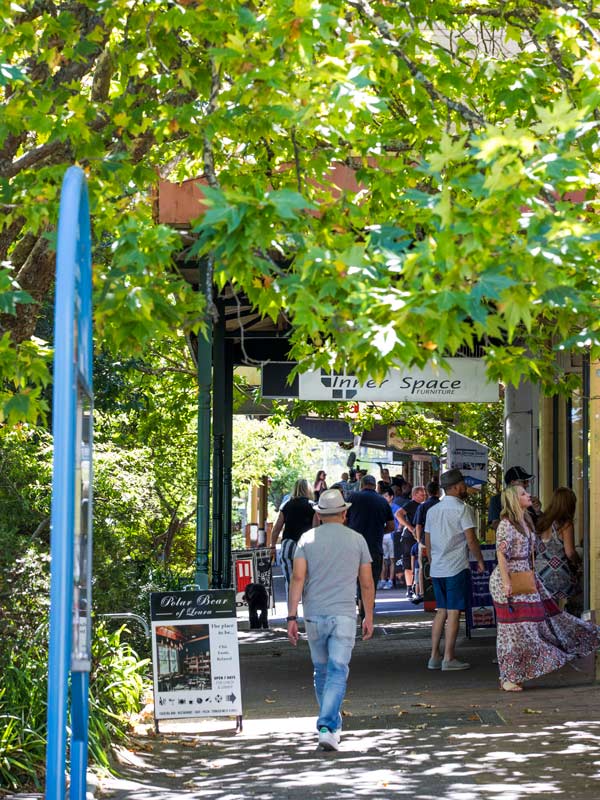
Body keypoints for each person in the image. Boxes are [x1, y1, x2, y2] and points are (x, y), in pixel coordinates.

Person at [287, 488, 374, 751]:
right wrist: (368, 616)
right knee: (338, 670)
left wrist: (291, 617)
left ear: (319, 515)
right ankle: (326, 726)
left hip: (314, 614)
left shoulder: (306, 539)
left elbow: (297, 578)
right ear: (344, 513)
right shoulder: (357, 540)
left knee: (322, 671)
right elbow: (366, 583)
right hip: (344, 614)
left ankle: (332, 728)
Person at [490, 484, 600, 692]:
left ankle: (516, 673)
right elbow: (501, 554)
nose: (528, 495)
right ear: (514, 500)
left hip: (527, 577)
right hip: (511, 579)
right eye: (523, 493)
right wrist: (506, 582)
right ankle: (509, 676)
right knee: (512, 629)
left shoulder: (527, 521)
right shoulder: (506, 524)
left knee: (537, 622)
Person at [424, 468, 485, 671]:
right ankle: (449, 658)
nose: (465, 488)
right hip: (456, 567)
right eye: (463, 485)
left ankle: (434, 656)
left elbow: (428, 541)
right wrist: (480, 560)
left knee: (441, 611)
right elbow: (471, 539)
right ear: (457, 487)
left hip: (437, 568)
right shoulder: (463, 509)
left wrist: (433, 562)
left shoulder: (432, 511)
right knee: (453, 612)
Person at [347, 474, 395, 610]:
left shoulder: (352, 498)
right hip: (375, 547)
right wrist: (379, 531)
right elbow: (391, 526)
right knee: (372, 580)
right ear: (375, 486)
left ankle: (360, 604)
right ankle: (368, 609)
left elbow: (343, 520)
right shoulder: (383, 501)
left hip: (354, 546)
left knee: (357, 580)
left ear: (361, 484)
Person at [535, 487, 581, 608]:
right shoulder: (565, 524)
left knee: (549, 609)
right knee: (581, 591)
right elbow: (570, 553)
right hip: (558, 575)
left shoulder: (542, 521)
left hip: (540, 576)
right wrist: (579, 561)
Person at [270, 479, 315, 596]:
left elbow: (276, 528)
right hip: (307, 547)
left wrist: (272, 546)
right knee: (307, 581)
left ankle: (291, 607)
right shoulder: (312, 506)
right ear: (308, 490)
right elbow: (316, 529)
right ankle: (306, 606)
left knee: (290, 581)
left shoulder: (286, 505)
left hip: (288, 546)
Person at [412, 480, 441, 603]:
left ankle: (423, 593)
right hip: (441, 540)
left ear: (427, 492)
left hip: (425, 541)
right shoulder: (441, 505)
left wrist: (419, 540)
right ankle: (440, 592)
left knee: (423, 566)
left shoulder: (422, 506)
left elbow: (418, 525)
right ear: (438, 492)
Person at [395, 485, 427, 598]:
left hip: (421, 536)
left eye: (425, 495)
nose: (424, 497)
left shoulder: (423, 505)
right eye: (422, 495)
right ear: (415, 495)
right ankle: (409, 588)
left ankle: (418, 586)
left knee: (420, 561)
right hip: (409, 537)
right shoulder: (411, 504)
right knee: (408, 561)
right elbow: (398, 514)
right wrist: (409, 527)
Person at [488, 466, 541, 531]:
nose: (527, 485)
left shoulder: (527, 500)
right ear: (513, 483)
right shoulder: (497, 500)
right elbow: (496, 525)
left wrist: (537, 512)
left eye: (527, 481)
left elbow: (543, 525)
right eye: (524, 482)